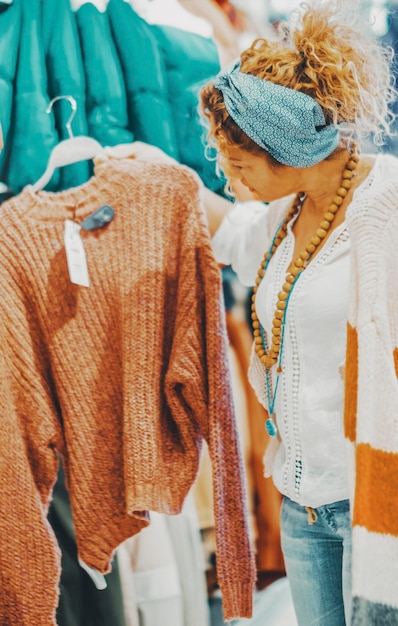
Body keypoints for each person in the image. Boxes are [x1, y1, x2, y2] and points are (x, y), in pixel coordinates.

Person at [123, 1, 398, 625]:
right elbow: (230, 229)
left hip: (375, 502)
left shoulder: (387, 208)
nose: (226, 175)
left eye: (238, 164)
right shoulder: (284, 218)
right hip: (303, 507)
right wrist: (155, 172)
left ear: (288, 150)